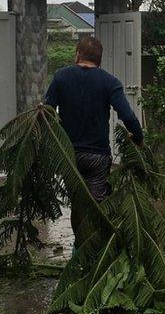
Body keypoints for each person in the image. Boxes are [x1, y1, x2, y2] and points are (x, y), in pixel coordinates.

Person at [43, 35, 144, 247]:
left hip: (68, 156)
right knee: (97, 207)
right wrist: (139, 139)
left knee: (78, 205)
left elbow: (46, 111)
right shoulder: (110, 82)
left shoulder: (61, 77)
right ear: (99, 60)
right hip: (97, 157)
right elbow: (128, 117)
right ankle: (93, 251)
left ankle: (80, 248)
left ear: (78, 54)